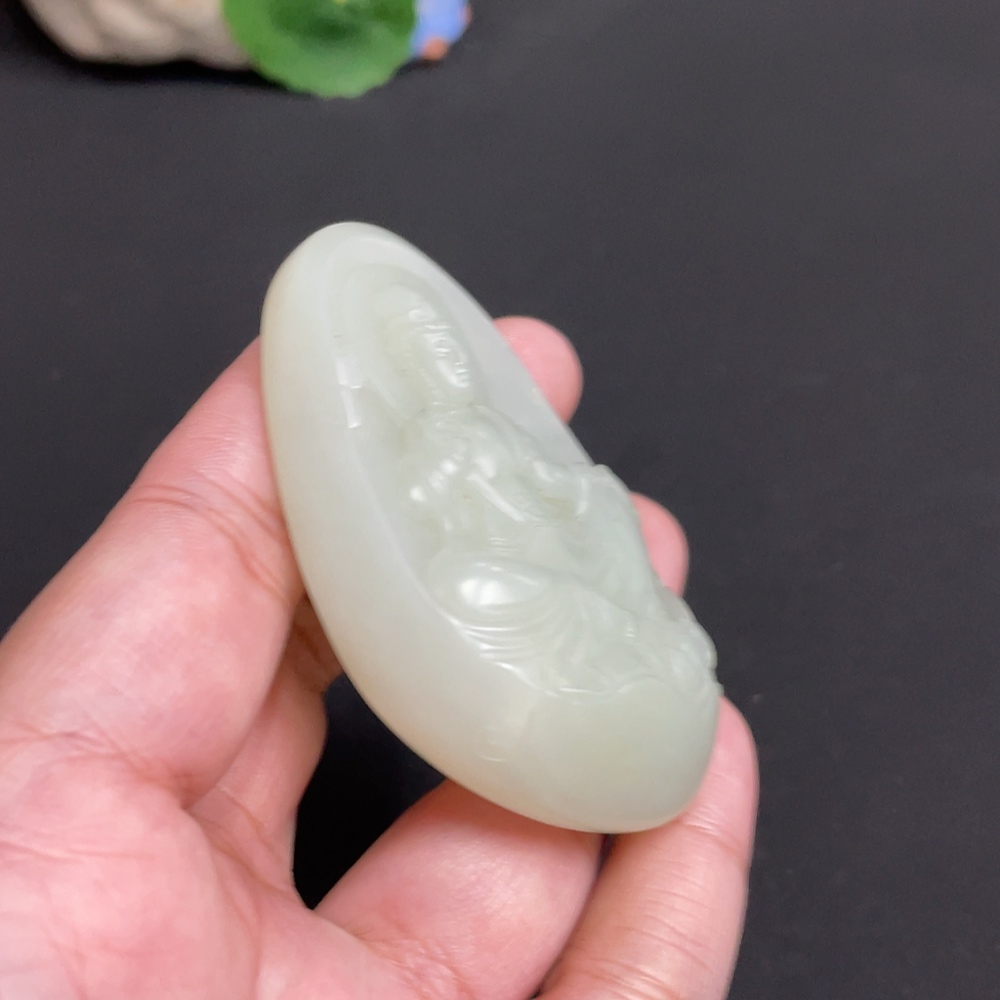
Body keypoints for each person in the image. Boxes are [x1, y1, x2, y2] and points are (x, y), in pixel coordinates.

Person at [0, 317, 758, 999]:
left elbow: (555, 496)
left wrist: (576, 502)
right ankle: (618, 661)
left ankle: (630, 657)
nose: (448, 372)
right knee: (480, 591)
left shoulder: (495, 431)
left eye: (450, 358)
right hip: (504, 577)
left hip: (546, 561)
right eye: (429, 361)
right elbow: (430, 527)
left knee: (606, 525)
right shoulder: (428, 442)